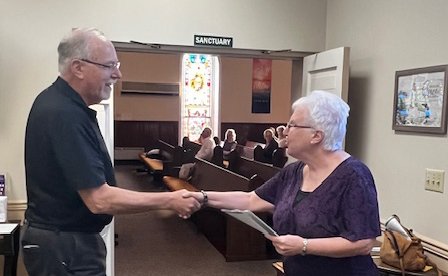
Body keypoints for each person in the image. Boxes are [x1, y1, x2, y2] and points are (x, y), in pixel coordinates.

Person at [22, 28, 201, 276]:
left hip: (65, 242)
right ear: (78, 67)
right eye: (108, 66)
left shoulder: (61, 104)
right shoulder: (64, 114)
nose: (117, 74)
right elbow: (99, 200)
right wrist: (168, 199)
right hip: (65, 247)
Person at [184, 90, 381, 275]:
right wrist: (203, 197)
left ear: (317, 135)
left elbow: (363, 242)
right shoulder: (294, 172)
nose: (285, 132)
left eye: (292, 125)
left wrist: (304, 246)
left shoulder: (354, 176)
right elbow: (250, 200)